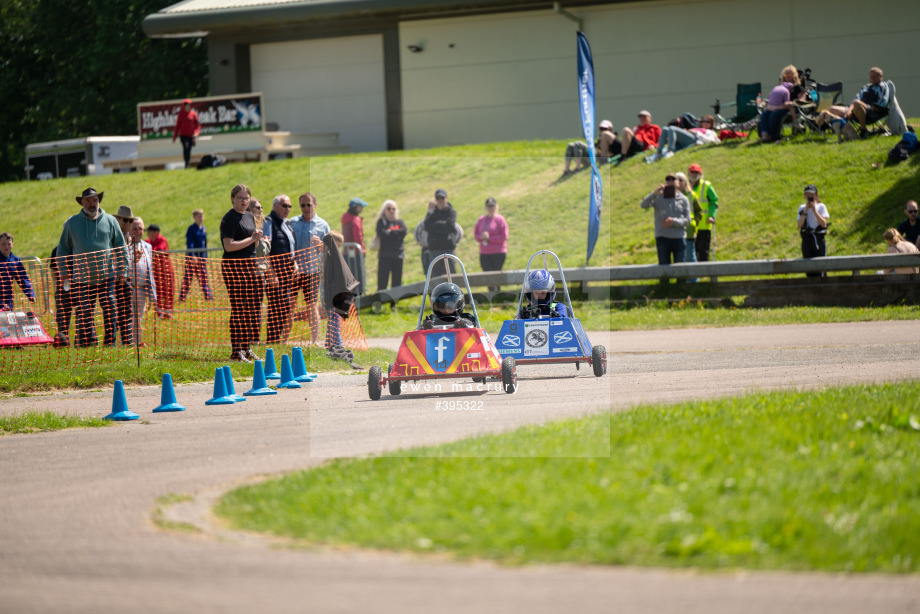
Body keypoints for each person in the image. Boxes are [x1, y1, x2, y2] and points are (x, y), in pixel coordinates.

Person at [56, 187, 126, 348]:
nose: (92, 204)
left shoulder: (110, 221)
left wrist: (123, 269)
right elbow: (62, 250)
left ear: (99, 201)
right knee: (85, 311)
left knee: (109, 305)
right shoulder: (72, 223)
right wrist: (64, 273)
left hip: (106, 276)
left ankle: (110, 343)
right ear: (82, 202)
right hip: (81, 278)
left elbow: (121, 247)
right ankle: (88, 344)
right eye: (88, 200)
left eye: (95, 200)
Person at [220, 184, 263, 362]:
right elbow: (229, 246)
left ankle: (246, 348)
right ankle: (235, 351)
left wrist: (258, 240)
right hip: (234, 268)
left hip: (250, 266)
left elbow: (252, 244)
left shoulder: (250, 217)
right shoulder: (229, 218)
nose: (243, 201)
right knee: (238, 309)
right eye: (240, 198)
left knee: (250, 310)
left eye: (246, 198)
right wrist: (251, 239)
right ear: (232, 199)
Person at [289, 192, 330, 346]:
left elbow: (329, 249)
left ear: (315, 204)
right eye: (303, 205)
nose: (306, 208)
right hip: (293, 272)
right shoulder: (292, 222)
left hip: (312, 271)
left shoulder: (322, 225)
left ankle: (314, 341)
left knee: (311, 306)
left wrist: (320, 244)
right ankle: (284, 340)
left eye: (309, 204)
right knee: (290, 306)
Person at [265, 194, 296, 344]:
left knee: (286, 305)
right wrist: (271, 274)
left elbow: (291, 248)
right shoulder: (269, 222)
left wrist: (294, 263)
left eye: (289, 206)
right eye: (285, 206)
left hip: (287, 272)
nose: (288, 209)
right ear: (275, 206)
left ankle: (276, 339)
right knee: (276, 306)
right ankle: (272, 340)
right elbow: (265, 250)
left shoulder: (286, 224)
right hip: (275, 272)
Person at [640, 174, 690, 266]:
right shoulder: (658, 197)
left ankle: (681, 281)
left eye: (673, 179)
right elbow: (643, 205)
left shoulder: (683, 199)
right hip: (662, 238)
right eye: (668, 179)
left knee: (680, 269)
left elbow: (687, 220)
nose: (670, 181)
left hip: (679, 238)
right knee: (663, 268)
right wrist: (654, 194)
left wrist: (674, 222)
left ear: (679, 183)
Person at [127, 218, 157, 347]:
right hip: (127, 287)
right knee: (127, 317)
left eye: (140, 228)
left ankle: (136, 342)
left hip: (141, 288)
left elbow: (149, 271)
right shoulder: (125, 245)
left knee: (138, 318)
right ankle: (129, 342)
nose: (138, 231)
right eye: (135, 228)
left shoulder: (148, 246)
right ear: (129, 229)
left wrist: (152, 294)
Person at [646, 115, 720, 162]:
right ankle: (658, 153)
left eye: (707, 122)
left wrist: (696, 133)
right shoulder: (697, 128)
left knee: (672, 128)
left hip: (694, 139)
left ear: (711, 124)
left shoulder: (711, 132)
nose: (704, 123)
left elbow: (709, 140)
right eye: (703, 121)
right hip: (688, 137)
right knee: (665, 129)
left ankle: (670, 151)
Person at [759, 65, 802, 143]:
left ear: (794, 76)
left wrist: (792, 103)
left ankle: (774, 136)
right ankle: (764, 135)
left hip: (790, 109)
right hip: (778, 106)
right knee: (765, 114)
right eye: (786, 75)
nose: (788, 76)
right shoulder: (781, 86)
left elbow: (802, 100)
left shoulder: (797, 87)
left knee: (774, 114)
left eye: (790, 74)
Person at [474, 197, 509, 292]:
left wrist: (490, 238)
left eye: (492, 206)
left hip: (498, 252)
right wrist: (482, 237)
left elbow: (503, 236)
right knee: (487, 275)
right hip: (485, 253)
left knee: (496, 275)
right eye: (489, 206)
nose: (490, 208)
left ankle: (498, 294)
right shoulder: (481, 220)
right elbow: (476, 235)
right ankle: (491, 295)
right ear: (486, 208)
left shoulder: (500, 219)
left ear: (496, 207)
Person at [113, 205, 136, 345]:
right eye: (125, 220)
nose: (128, 224)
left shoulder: (128, 238)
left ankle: (127, 343)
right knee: (113, 314)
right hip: (113, 280)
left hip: (126, 280)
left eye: (130, 221)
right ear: (118, 219)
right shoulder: (112, 235)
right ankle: (111, 343)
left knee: (127, 313)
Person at [179, 209, 213, 302]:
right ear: (194, 218)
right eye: (199, 216)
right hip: (192, 258)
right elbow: (190, 243)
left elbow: (204, 243)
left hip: (201, 257)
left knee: (203, 277)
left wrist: (205, 256)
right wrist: (193, 255)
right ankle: (182, 297)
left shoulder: (204, 228)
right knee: (188, 278)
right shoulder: (191, 229)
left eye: (202, 216)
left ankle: (208, 295)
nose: (201, 218)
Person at [374, 199, 408, 292]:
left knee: (397, 281)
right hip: (385, 256)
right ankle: (380, 302)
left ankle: (394, 304)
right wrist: (396, 234)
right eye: (389, 208)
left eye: (394, 208)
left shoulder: (400, 222)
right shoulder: (381, 222)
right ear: (384, 210)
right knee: (382, 281)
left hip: (398, 255)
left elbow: (404, 232)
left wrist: (390, 232)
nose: (391, 211)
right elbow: (381, 234)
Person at [797, 184, 830, 278]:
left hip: (819, 241)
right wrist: (806, 211)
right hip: (807, 241)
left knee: (821, 267)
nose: (809, 197)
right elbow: (799, 225)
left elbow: (823, 224)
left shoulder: (821, 206)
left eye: (811, 195)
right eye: (806, 195)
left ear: (816, 195)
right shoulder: (802, 208)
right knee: (808, 268)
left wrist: (814, 211)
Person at [688, 163, 719, 262]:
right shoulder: (685, 187)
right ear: (688, 174)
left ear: (700, 174)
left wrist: (712, 216)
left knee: (703, 251)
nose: (694, 174)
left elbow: (714, 201)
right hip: (690, 226)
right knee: (691, 251)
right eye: (692, 172)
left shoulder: (706, 186)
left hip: (704, 225)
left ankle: (704, 273)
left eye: (696, 173)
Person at [424, 188, 459, 274]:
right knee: (435, 278)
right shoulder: (431, 213)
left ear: (446, 199)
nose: (440, 200)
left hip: (448, 248)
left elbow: (450, 227)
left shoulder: (451, 212)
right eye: (438, 198)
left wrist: (435, 226)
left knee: (451, 276)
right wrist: (442, 224)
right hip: (434, 249)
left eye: (442, 198)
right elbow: (427, 226)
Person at [0, 232, 35, 311]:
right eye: (3, 244)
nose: (6, 246)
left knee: (6, 320)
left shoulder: (15, 261)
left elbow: (23, 278)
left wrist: (30, 294)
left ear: (12, 245)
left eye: (8, 244)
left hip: (8, 298)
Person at [145, 224, 174, 319]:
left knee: (167, 291)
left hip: (165, 271)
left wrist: (149, 250)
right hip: (155, 272)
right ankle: (159, 311)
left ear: (156, 233)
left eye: (150, 232)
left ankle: (168, 312)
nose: (148, 234)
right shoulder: (148, 241)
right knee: (157, 292)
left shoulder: (162, 240)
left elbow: (160, 249)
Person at [674, 172, 702, 269]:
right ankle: (683, 281)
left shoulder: (691, 195)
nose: (678, 182)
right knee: (680, 258)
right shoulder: (670, 196)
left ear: (685, 182)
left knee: (690, 256)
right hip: (674, 233)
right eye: (675, 179)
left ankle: (694, 280)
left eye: (680, 180)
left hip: (689, 231)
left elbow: (699, 211)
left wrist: (694, 223)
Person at [49, 238, 72, 347]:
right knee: (62, 318)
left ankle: (83, 343)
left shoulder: (79, 249)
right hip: (62, 288)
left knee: (84, 316)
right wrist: (57, 285)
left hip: (80, 285)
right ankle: (63, 343)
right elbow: (53, 270)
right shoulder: (57, 250)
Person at [341, 197, 367, 294]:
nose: (362, 209)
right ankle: (359, 295)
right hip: (356, 252)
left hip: (347, 252)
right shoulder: (355, 219)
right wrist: (362, 250)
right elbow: (358, 237)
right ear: (355, 207)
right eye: (361, 206)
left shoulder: (345, 217)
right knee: (358, 275)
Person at [172, 98, 201, 168]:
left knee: (189, 149)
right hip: (183, 135)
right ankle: (186, 163)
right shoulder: (181, 115)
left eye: (188, 106)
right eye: (186, 106)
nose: (187, 108)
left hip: (191, 135)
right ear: (183, 107)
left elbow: (198, 125)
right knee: (186, 147)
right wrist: (175, 136)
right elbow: (177, 126)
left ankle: (188, 162)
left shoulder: (193, 114)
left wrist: (196, 133)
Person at [414, 198, 437, 275]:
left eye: (434, 207)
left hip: (437, 248)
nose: (432, 209)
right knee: (427, 272)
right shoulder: (423, 223)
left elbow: (458, 231)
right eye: (430, 207)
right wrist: (421, 243)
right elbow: (417, 233)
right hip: (426, 249)